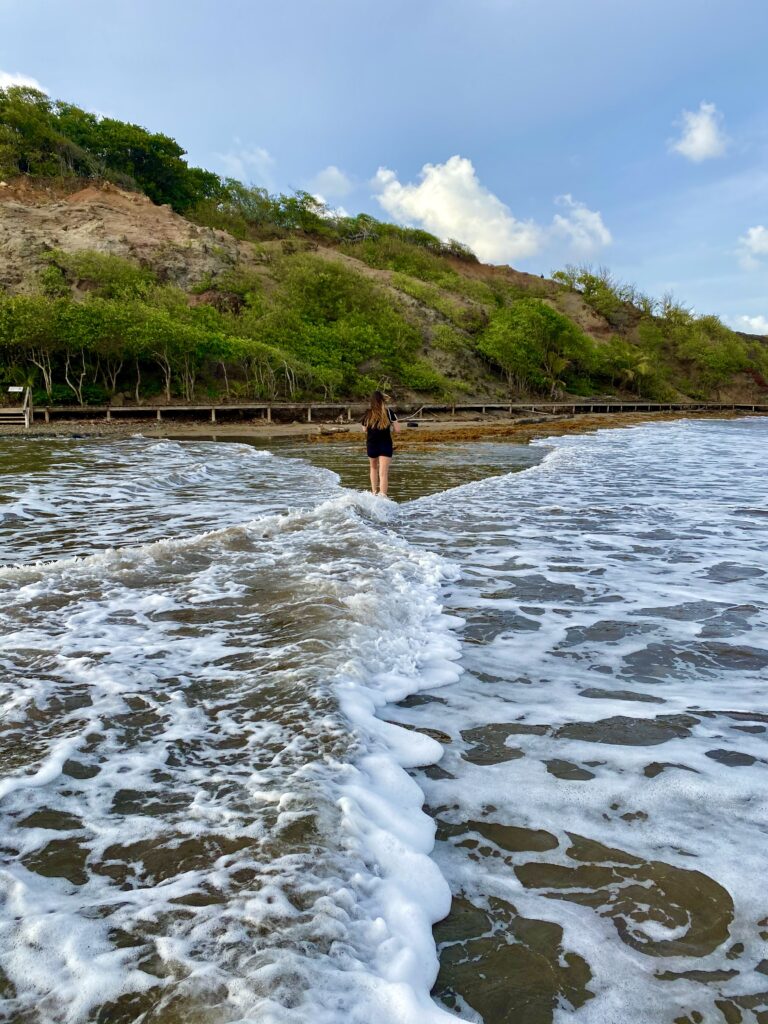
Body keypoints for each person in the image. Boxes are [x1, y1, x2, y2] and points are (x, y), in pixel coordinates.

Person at [362, 391, 400, 496]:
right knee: (383, 473)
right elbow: (398, 429)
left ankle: (374, 493)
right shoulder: (389, 412)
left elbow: (364, 429)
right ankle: (383, 496)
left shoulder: (368, 413)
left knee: (373, 468)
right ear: (382, 400)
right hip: (385, 444)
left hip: (372, 444)